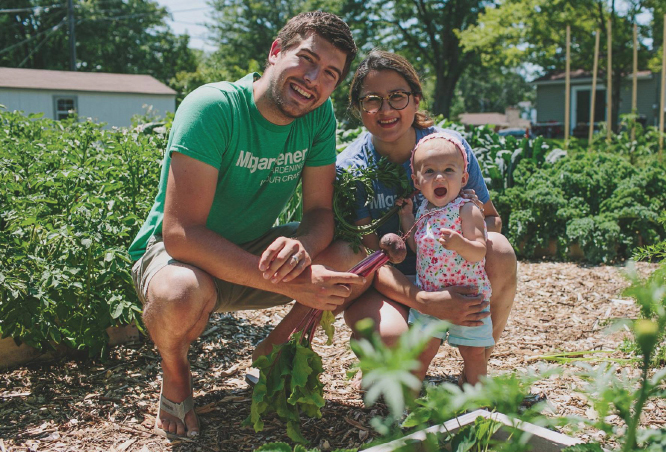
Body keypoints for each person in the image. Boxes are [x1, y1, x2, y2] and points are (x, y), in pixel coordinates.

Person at [128, 12, 365, 439]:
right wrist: (292, 284)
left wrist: (304, 250)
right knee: (177, 294)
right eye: (307, 60)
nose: (314, 80)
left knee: (350, 257)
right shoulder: (214, 107)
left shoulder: (318, 117)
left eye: (330, 74)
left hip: (252, 248)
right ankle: (175, 375)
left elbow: (319, 214)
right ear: (276, 52)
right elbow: (180, 233)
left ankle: (271, 354)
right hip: (180, 257)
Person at [336, 50, 517, 384]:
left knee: (501, 249)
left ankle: (475, 364)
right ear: (359, 108)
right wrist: (426, 300)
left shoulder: (449, 149)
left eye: (397, 97)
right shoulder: (351, 169)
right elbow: (367, 259)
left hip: (454, 273)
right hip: (388, 285)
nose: (386, 109)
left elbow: (493, 220)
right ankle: (386, 369)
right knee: (391, 346)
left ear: (416, 100)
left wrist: (465, 241)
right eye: (373, 100)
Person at [399, 132, 493, 385]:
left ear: (463, 178)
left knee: (473, 353)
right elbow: (418, 249)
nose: (439, 177)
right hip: (430, 295)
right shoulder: (424, 210)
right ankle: (407, 405)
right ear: (417, 182)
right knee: (422, 351)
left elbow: (479, 250)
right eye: (429, 172)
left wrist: (460, 244)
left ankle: (477, 404)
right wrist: (406, 218)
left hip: (468, 297)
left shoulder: (467, 209)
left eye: (448, 170)